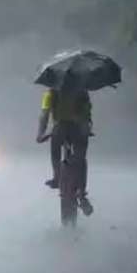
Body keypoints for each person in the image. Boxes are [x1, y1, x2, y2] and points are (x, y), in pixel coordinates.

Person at [36, 87, 94, 216]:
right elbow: (87, 112)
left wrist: (40, 134)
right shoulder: (82, 90)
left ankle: (57, 176)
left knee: (55, 148)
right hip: (78, 129)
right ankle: (82, 192)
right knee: (81, 156)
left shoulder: (51, 92)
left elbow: (44, 114)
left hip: (60, 129)